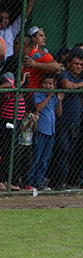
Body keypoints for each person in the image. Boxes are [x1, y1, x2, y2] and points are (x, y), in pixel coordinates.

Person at [49, 49, 83, 190]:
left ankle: (66, 180)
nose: (79, 67)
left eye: (81, 65)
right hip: (63, 120)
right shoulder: (65, 74)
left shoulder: (79, 78)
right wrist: (79, 86)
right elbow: (67, 85)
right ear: (69, 64)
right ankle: (57, 182)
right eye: (76, 64)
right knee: (62, 150)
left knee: (70, 152)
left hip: (76, 121)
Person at [29, 74, 63, 190]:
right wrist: (48, 97)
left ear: (54, 85)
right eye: (46, 83)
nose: (48, 86)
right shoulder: (38, 95)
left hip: (51, 131)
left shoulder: (54, 97)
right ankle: (31, 181)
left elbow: (58, 113)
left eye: (50, 84)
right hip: (41, 130)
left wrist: (59, 101)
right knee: (36, 157)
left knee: (45, 159)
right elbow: (38, 108)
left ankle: (39, 181)